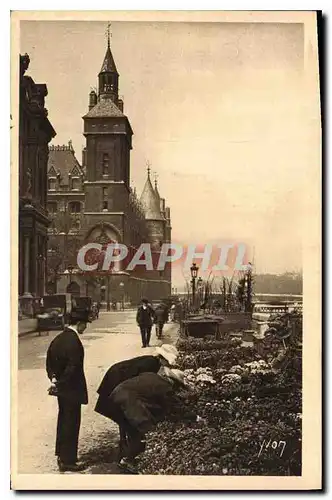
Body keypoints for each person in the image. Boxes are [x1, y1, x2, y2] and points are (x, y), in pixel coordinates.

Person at [97, 366, 196, 472]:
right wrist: (194, 417)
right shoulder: (164, 386)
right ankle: (134, 461)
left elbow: (147, 396)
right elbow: (175, 406)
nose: (176, 389)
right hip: (129, 402)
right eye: (177, 385)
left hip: (115, 397)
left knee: (132, 431)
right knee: (147, 431)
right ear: (172, 381)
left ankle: (126, 459)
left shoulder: (150, 374)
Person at [94, 344, 179, 457]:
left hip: (116, 388)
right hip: (114, 388)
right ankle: (127, 455)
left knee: (125, 421)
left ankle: (124, 450)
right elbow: (134, 384)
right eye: (167, 362)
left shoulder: (151, 360)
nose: (167, 366)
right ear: (163, 358)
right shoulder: (151, 364)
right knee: (129, 423)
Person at [46, 310, 90, 472]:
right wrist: (62, 383)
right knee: (71, 422)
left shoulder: (58, 339)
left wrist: (54, 380)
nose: (85, 327)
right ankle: (68, 461)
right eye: (85, 324)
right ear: (79, 323)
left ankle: (61, 454)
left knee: (63, 419)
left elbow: (49, 361)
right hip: (71, 388)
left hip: (61, 388)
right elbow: (73, 367)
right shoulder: (74, 341)